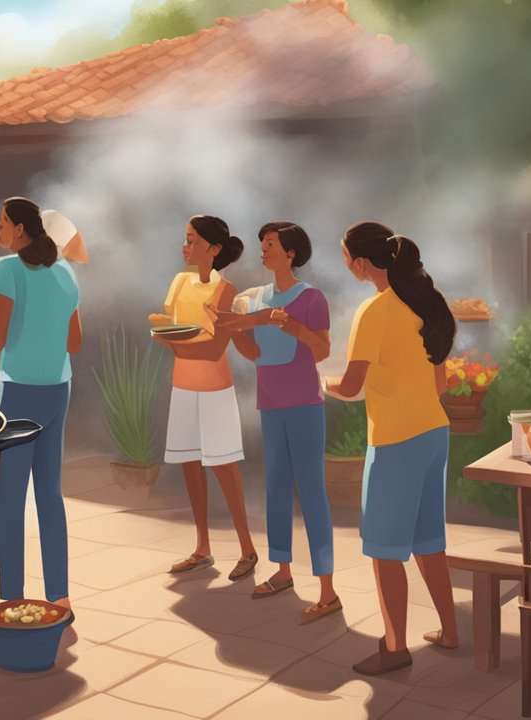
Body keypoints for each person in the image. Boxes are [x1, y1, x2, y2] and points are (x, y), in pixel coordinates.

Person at [326, 220, 457, 676]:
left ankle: (395, 647)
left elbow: (350, 385)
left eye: (345, 256)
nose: (345, 264)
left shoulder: (374, 311)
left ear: (361, 263)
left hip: (395, 441)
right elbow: (439, 383)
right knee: (428, 540)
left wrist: (318, 381)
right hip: (434, 434)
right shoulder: (425, 305)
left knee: (384, 549)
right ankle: (450, 630)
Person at [212, 221, 339, 623]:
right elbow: (254, 353)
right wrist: (228, 327)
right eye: (263, 244)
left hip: (304, 405)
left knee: (313, 493)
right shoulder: (257, 301)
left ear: (291, 254)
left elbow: (321, 350)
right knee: (277, 488)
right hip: (270, 404)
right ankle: (282, 572)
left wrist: (290, 325)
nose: (263, 251)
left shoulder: (310, 298)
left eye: (270, 245)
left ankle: (328, 589)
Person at [0, 197, 82, 608]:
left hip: (17, 391)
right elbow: (76, 342)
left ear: (19, 229)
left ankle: (11, 598)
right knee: (49, 494)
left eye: (1, 223)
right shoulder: (66, 272)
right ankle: (60, 597)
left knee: (10, 497)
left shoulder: (6, 269)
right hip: (58, 388)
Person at [153, 215, 258, 581]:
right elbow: (166, 326)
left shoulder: (225, 291)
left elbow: (214, 348)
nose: (185, 246)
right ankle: (202, 548)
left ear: (214, 250)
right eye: (185, 239)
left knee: (223, 467)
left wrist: (174, 342)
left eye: (193, 241)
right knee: (189, 465)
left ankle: (247, 549)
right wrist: (177, 340)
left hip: (215, 388)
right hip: (182, 387)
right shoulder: (180, 282)